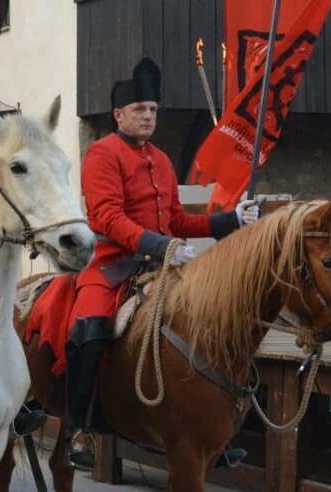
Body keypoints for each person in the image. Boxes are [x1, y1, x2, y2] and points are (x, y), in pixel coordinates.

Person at [63, 58, 260, 469]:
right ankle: (78, 428)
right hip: (112, 264)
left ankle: (208, 427)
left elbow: (177, 221)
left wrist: (231, 220)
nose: (148, 116)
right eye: (140, 110)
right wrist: (162, 246)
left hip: (163, 262)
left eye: (153, 110)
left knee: (213, 319)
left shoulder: (163, 160)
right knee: (93, 327)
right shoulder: (101, 154)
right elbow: (107, 218)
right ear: (119, 114)